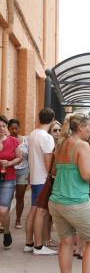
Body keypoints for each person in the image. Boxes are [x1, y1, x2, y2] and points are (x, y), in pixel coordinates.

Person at [48, 113, 90, 273]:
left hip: (56, 202)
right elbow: (86, 174)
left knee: (66, 242)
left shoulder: (60, 143)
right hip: (76, 202)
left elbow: (53, 171)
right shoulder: (82, 145)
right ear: (80, 127)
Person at [24, 108, 57, 255]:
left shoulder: (32, 134)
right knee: (41, 212)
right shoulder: (47, 137)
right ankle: (38, 246)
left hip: (35, 177)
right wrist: (51, 175)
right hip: (43, 178)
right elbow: (48, 159)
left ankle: (29, 243)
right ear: (52, 119)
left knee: (33, 210)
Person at [0, 115, 23, 249]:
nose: (1, 129)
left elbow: (19, 158)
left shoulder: (13, 141)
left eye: (3, 126)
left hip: (8, 179)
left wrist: (9, 163)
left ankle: (7, 232)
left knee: (3, 210)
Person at [8, 119, 29, 229]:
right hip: (10, 171)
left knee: (19, 197)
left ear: (19, 128)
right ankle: (4, 220)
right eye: (12, 128)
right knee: (8, 197)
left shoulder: (25, 140)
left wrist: (30, 173)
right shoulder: (6, 140)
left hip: (23, 171)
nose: (14, 130)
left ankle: (18, 220)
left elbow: (30, 156)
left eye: (16, 128)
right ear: (9, 129)